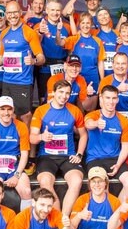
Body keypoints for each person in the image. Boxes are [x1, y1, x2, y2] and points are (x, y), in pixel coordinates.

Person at [30, 80, 87, 214]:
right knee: (45, 181)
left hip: (68, 156)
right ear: (53, 93)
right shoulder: (41, 110)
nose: (64, 96)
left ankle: (64, 218)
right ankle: (57, 219)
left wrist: (79, 154)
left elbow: (84, 135)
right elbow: (31, 137)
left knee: (77, 181)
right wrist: (41, 137)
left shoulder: (74, 111)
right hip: (47, 156)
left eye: (67, 93)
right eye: (61, 92)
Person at [0, 96, 32, 212]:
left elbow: (24, 154)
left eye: (9, 109)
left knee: (27, 191)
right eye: (3, 109)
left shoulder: (21, 126)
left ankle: (26, 222)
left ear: (13, 110)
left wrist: (17, 175)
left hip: (14, 166)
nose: (6, 113)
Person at [84, 85, 128, 201]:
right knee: (101, 185)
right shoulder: (94, 115)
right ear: (101, 98)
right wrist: (97, 124)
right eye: (108, 98)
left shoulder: (123, 121)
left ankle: (118, 211)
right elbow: (88, 123)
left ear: (117, 99)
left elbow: (125, 147)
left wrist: (118, 164)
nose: (111, 102)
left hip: (115, 159)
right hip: (95, 159)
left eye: (114, 98)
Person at [0, 0, 45, 125]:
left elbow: (41, 58)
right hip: (7, 82)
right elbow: (1, 58)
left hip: (23, 82)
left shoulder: (29, 32)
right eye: (9, 13)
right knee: (9, 115)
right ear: (6, 14)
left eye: (15, 12)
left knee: (25, 116)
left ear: (20, 13)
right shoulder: (4, 34)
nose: (12, 16)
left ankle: (27, 145)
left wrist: (33, 60)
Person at [99, 52, 128, 161]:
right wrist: (117, 90)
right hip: (110, 123)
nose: (120, 66)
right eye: (117, 63)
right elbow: (101, 105)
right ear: (113, 64)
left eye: (123, 63)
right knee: (109, 153)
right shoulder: (106, 81)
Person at [64, 13, 106, 104]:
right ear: (79, 24)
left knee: (90, 105)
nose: (85, 25)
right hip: (77, 76)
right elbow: (62, 46)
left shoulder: (97, 41)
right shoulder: (75, 39)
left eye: (88, 23)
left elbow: (100, 62)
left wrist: (102, 81)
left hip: (92, 76)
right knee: (77, 104)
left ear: (91, 24)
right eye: (83, 23)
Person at [35, 0, 69, 104]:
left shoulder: (66, 27)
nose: (55, 13)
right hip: (45, 69)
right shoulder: (40, 25)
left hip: (61, 68)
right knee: (44, 99)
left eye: (58, 10)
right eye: (52, 10)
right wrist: (40, 32)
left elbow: (71, 48)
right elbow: (35, 44)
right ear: (47, 10)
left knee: (61, 97)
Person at [92, 6, 119, 78]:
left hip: (115, 73)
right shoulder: (93, 34)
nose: (103, 17)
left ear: (110, 17)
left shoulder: (118, 34)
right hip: (98, 72)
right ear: (97, 19)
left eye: (105, 14)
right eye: (100, 15)